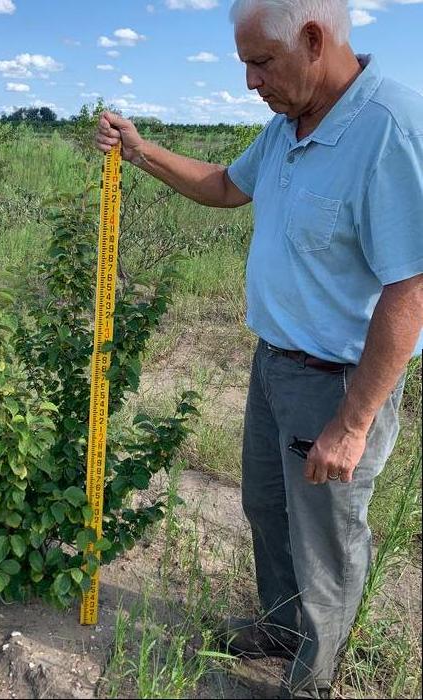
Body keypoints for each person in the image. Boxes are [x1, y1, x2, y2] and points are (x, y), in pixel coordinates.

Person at [95, 0, 423, 697]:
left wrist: (353, 423)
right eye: (245, 62)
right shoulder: (286, 125)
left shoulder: (391, 128)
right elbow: (223, 187)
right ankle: (278, 629)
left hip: (336, 382)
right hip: (273, 365)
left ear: (313, 39)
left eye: (260, 62)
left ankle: (311, 680)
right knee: (268, 512)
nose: (249, 82)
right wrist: (140, 149)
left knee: (326, 542)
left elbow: (409, 289)